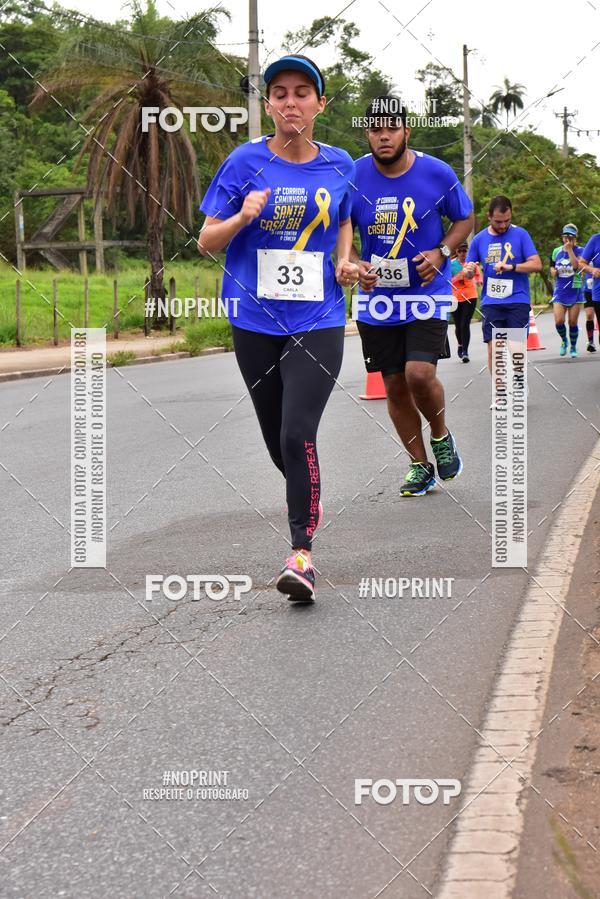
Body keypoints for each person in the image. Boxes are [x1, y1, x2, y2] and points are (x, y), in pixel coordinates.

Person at [197, 54, 357, 602]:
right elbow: (206, 240)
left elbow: (344, 218)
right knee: (277, 441)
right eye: (280, 93)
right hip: (254, 319)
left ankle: (301, 556)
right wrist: (242, 217)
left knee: (297, 433)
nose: (291, 101)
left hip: (319, 316)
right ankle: (303, 498)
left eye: (301, 92)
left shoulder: (341, 164)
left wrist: (345, 259)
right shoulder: (243, 162)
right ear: (268, 104)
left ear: (320, 103)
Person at [350, 96, 474, 497]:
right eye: (375, 130)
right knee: (394, 384)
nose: (383, 136)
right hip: (377, 298)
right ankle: (420, 466)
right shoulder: (353, 176)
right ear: (367, 134)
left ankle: (440, 434)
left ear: (406, 130)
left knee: (418, 374)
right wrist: (355, 264)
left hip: (426, 293)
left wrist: (441, 251)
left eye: (391, 128)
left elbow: (464, 218)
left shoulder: (436, 172)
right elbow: (340, 232)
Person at [464, 196, 542, 405]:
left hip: (517, 299)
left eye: (507, 220)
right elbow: (469, 271)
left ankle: (518, 384)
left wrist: (512, 267)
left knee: (515, 348)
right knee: (494, 348)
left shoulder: (520, 235)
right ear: (489, 216)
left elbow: (536, 264)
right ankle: (500, 393)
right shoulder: (479, 239)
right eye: (498, 221)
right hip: (492, 301)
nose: (503, 225)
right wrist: (469, 270)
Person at [549, 224, 583, 358]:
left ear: (575, 238)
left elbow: (576, 267)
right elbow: (551, 266)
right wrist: (553, 271)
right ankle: (564, 341)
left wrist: (570, 251)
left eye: (570, 237)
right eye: (565, 236)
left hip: (575, 290)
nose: (567, 239)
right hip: (560, 290)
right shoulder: (556, 251)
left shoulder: (581, 250)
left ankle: (573, 346)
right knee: (559, 321)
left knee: (573, 322)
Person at [451, 241, 478, 363]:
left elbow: (478, 275)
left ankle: (465, 352)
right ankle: (460, 345)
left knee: (464, 324)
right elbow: (445, 280)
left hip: (470, 296)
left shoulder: (471, 264)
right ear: (456, 252)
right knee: (458, 324)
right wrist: (457, 277)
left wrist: (478, 279)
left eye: (464, 251)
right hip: (455, 297)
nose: (462, 253)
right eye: (460, 251)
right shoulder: (451, 264)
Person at [580, 261, 599, 353]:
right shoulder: (586, 255)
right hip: (588, 290)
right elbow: (580, 266)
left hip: (598, 290)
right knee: (589, 315)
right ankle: (590, 342)